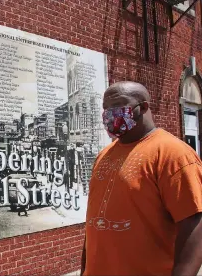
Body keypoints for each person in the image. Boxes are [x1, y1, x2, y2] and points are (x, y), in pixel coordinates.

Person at [81, 81, 202, 276]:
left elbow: (195, 224)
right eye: (106, 108)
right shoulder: (104, 155)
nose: (110, 114)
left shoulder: (173, 154)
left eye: (118, 106)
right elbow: (93, 225)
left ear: (143, 107)